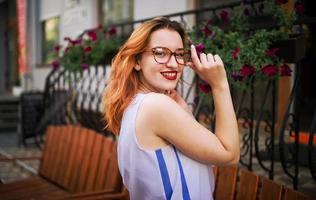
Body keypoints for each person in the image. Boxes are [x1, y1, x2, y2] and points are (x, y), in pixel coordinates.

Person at [103, 17, 239, 200]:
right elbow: (229, 155)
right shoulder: (155, 106)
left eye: (179, 54)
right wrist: (220, 85)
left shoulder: (137, 104)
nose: (174, 64)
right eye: (160, 53)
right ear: (137, 60)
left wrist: (184, 110)